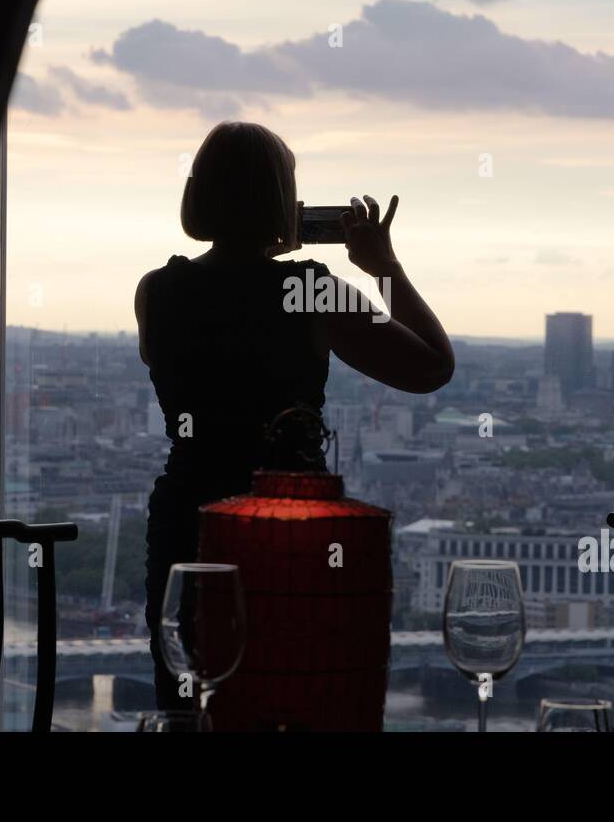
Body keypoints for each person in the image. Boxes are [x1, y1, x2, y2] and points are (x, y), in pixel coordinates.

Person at [135, 121, 453, 709]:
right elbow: (431, 366)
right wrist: (381, 263)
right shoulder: (310, 291)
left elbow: (221, 327)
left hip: (187, 518)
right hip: (286, 525)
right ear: (283, 200)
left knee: (189, 692)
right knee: (292, 688)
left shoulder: (157, 290)